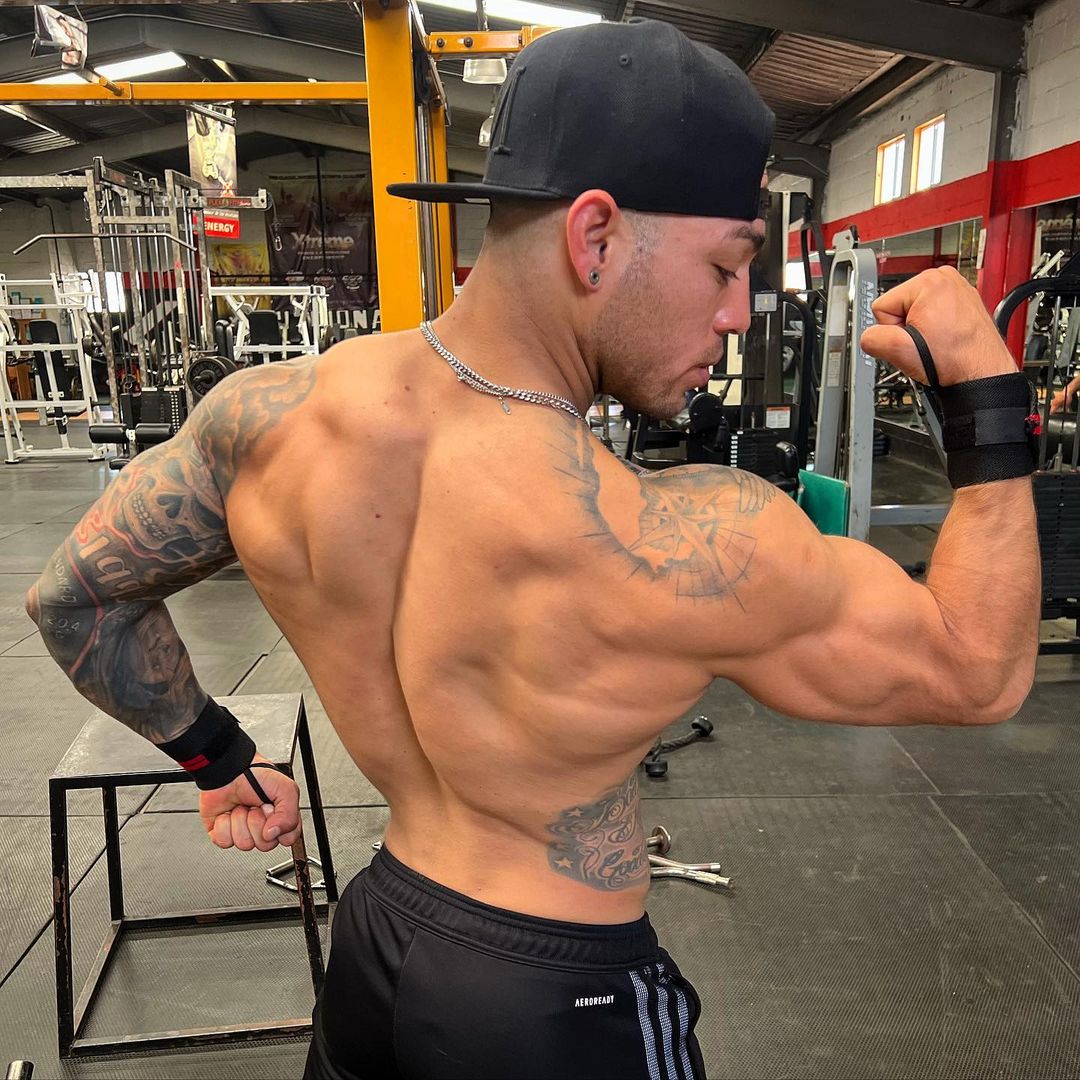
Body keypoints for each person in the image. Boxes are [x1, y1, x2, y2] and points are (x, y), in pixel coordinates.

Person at [26, 19, 1040, 1080]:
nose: (739, 315)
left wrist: (218, 759)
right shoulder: (690, 534)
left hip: (378, 950)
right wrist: (987, 399)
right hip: (559, 1009)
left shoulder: (265, 418)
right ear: (594, 237)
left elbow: (76, 601)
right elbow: (978, 671)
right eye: (725, 266)